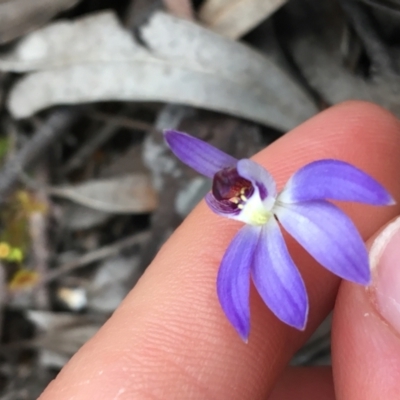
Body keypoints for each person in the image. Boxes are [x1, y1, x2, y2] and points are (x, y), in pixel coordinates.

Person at [39, 101, 400, 399]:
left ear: (253, 173)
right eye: (226, 195)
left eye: (240, 185)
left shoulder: (308, 185)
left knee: (356, 263)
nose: (235, 193)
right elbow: (251, 308)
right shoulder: (240, 252)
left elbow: (359, 188)